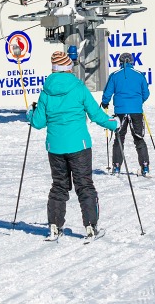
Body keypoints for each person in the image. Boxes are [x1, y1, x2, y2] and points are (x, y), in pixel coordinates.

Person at [30, 50, 117, 242]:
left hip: (55, 148)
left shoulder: (46, 92)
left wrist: (31, 112)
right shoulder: (79, 88)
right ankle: (90, 227)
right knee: (84, 185)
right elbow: (96, 114)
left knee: (59, 186)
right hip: (79, 145)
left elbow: (37, 123)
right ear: (69, 68)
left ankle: (54, 226)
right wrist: (113, 124)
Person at [101, 52, 151, 176]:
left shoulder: (115, 75)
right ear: (132, 62)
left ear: (120, 62)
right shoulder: (139, 75)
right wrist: (138, 102)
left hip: (120, 111)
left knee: (119, 138)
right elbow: (146, 93)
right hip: (136, 111)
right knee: (139, 138)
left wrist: (105, 102)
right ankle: (145, 167)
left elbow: (108, 92)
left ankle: (116, 167)